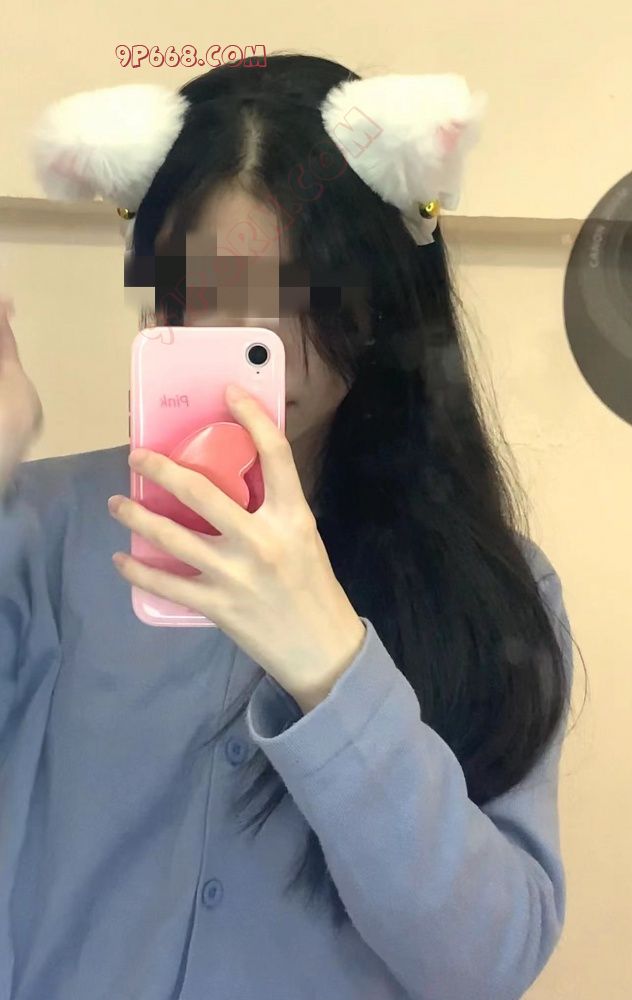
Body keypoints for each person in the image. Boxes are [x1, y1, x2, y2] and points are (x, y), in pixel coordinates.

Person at [0, 54, 580, 1000]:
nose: (246, 343)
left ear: (383, 303)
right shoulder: (45, 528)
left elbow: (487, 964)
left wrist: (333, 669)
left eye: (297, 297)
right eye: (202, 294)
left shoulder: (491, 589)